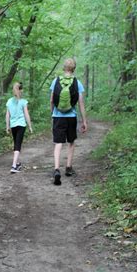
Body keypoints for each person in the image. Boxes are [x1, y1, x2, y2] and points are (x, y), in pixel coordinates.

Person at [49, 58, 87, 186]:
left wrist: (52, 114)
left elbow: (51, 100)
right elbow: (81, 103)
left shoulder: (56, 81)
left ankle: (56, 169)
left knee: (58, 143)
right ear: (74, 69)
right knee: (71, 142)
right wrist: (84, 121)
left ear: (63, 68)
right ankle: (69, 168)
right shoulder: (77, 83)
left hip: (58, 116)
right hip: (71, 116)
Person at [6, 82, 33, 173]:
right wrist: (30, 126)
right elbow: (26, 114)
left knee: (16, 143)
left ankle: (17, 163)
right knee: (18, 145)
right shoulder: (23, 102)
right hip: (21, 125)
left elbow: (7, 115)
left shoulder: (9, 101)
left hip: (13, 125)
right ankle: (14, 166)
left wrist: (7, 126)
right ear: (21, 90)